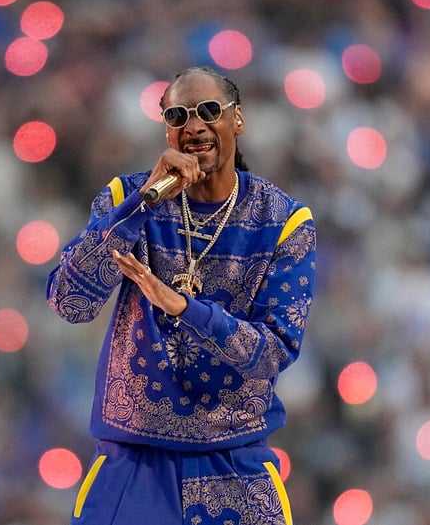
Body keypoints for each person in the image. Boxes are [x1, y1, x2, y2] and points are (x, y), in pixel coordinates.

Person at [46, 65, 316, 525]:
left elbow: (273, 351)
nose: (193, 126)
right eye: (177, 116)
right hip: (133, 464)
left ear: (238, 120)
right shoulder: (127, 198)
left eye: (209, 111)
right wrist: (142, 204)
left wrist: (187, 310)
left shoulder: (284, 222)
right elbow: (69, 301)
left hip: (233, 463)